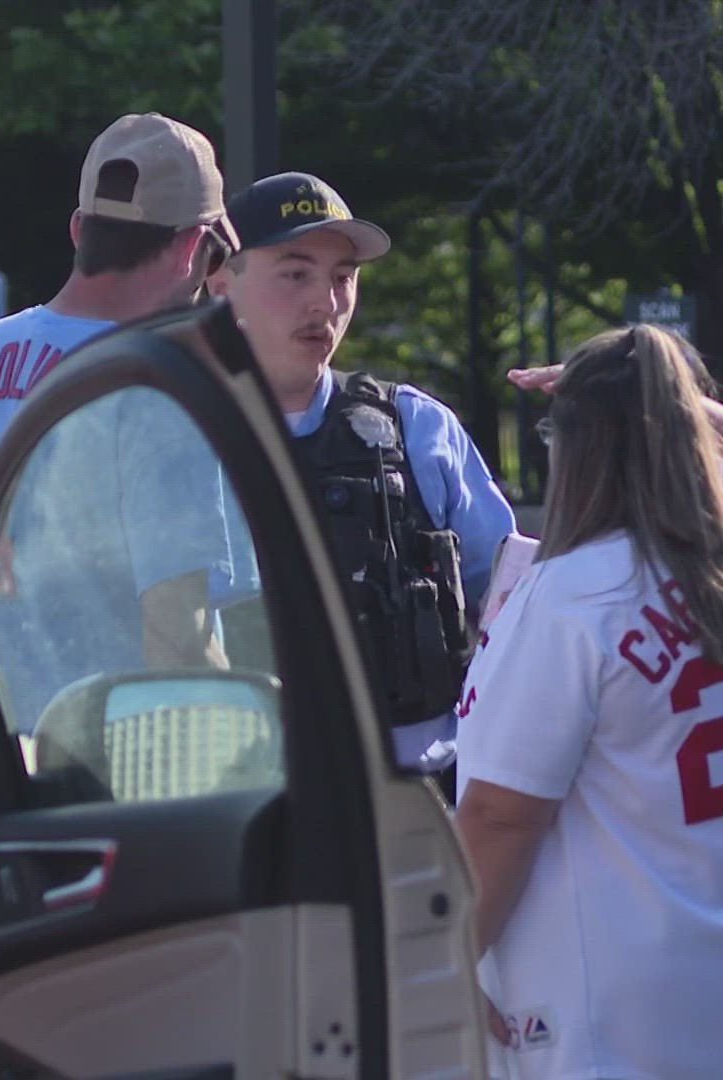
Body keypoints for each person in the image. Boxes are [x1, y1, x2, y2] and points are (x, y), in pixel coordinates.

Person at [458, 325, 723, 1079]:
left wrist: (441, 966)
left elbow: (502, 816)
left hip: (630, 997)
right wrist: (660, 386)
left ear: (574, 447)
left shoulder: (577, 594)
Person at [0, 111, 239, 643]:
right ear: (191, 250)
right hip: (107, 725)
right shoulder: (164, 384)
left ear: (78, 229)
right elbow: (184, 642)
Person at [205, 171, 516, 773]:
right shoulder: (179, 437)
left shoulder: (418, 430)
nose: (325, 302)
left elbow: (513, 607)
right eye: (295, 274)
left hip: (418, 801)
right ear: (222, 284)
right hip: (250, 798)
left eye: (342, 278)